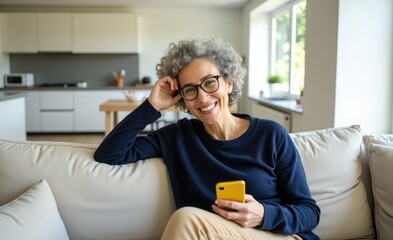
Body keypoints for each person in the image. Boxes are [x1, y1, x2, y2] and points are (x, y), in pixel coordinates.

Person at [94, 37, 320, 240]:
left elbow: (309, 212)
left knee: (186, 219)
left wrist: (264, 214)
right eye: (190, 90)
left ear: (228, 83)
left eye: (210, 82)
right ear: (182, 99)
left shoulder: (271, 135)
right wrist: (152, 105)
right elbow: (109, 153)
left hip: (275, 235)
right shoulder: (177, 137)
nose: (202, 97)